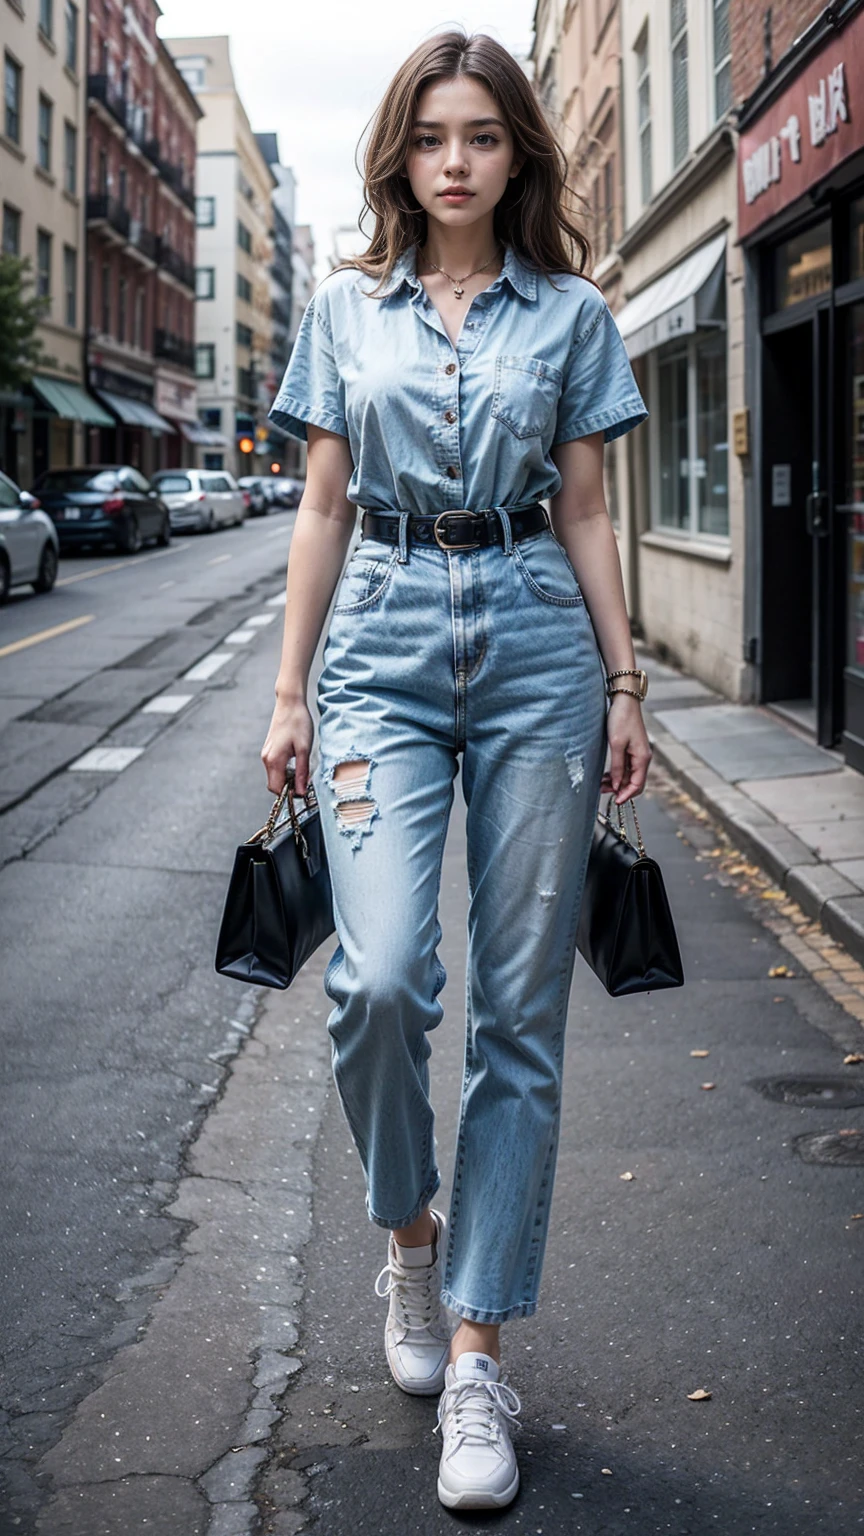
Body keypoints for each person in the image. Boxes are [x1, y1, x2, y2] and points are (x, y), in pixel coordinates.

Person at [261, 27, 650, 1512]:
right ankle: (411, 1247)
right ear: (401, 155)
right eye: (433, 136)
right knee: (377, 983)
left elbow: (591, 508)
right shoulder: (345, 312)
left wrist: (625, 683)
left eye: (483, 136)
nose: (457, 161)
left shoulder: (573, 316)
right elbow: (319, 505)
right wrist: (289, 691)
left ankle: (479, 1351)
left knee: (522, 1016)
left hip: (544, 646)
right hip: (379, 645)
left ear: (518, 155)